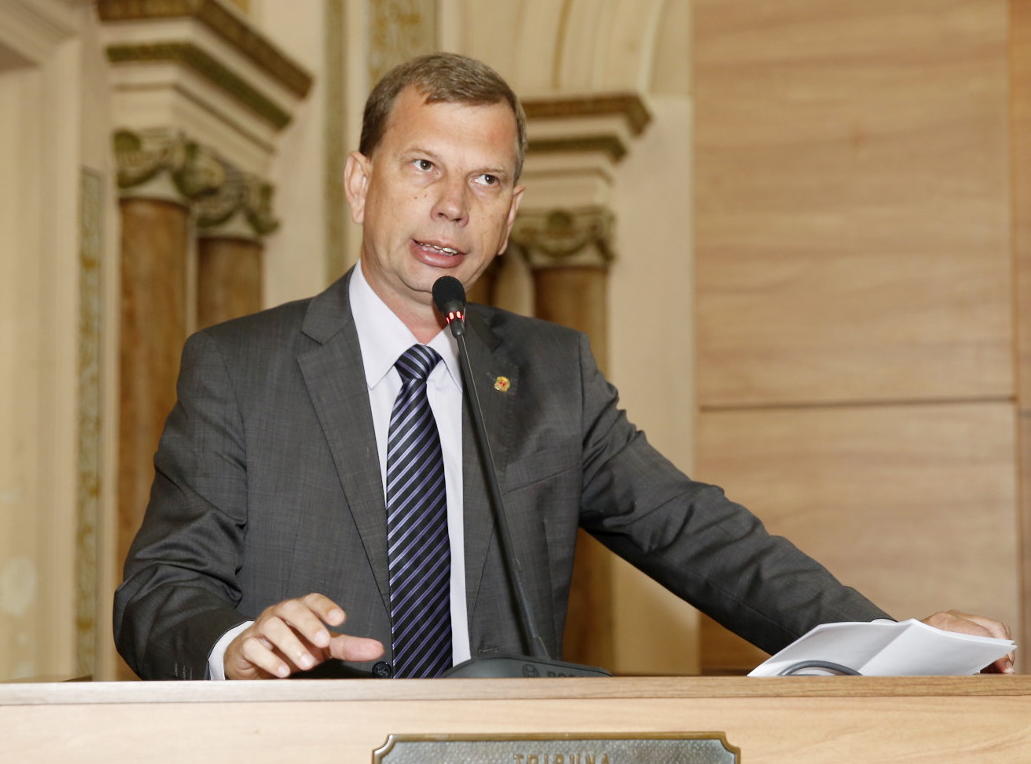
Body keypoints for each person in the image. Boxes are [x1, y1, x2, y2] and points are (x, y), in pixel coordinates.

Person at [113, 52, 1014, 681]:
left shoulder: (550, 373)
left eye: (486, 181)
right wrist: (235, 643)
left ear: (511, 214)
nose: (452, 207)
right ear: (361, 182)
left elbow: (699, 534)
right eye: (423, 165)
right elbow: (159, 590)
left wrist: (893, 642)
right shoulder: (240, 368)